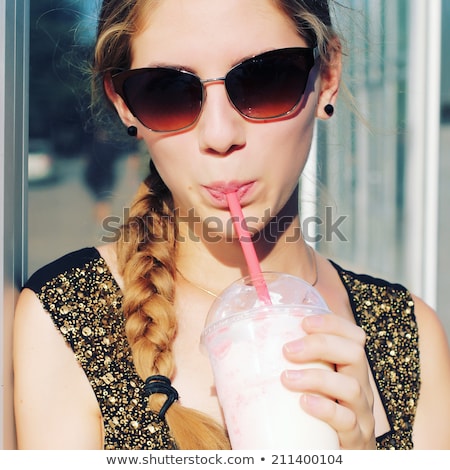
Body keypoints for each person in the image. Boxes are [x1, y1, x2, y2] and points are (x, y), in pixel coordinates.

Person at [13, 0, 450, 450]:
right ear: (125, 106)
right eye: (166, 90)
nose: (220, 135)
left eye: (264, 79)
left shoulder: (409, 334)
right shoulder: (71, 318)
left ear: (327, 77)